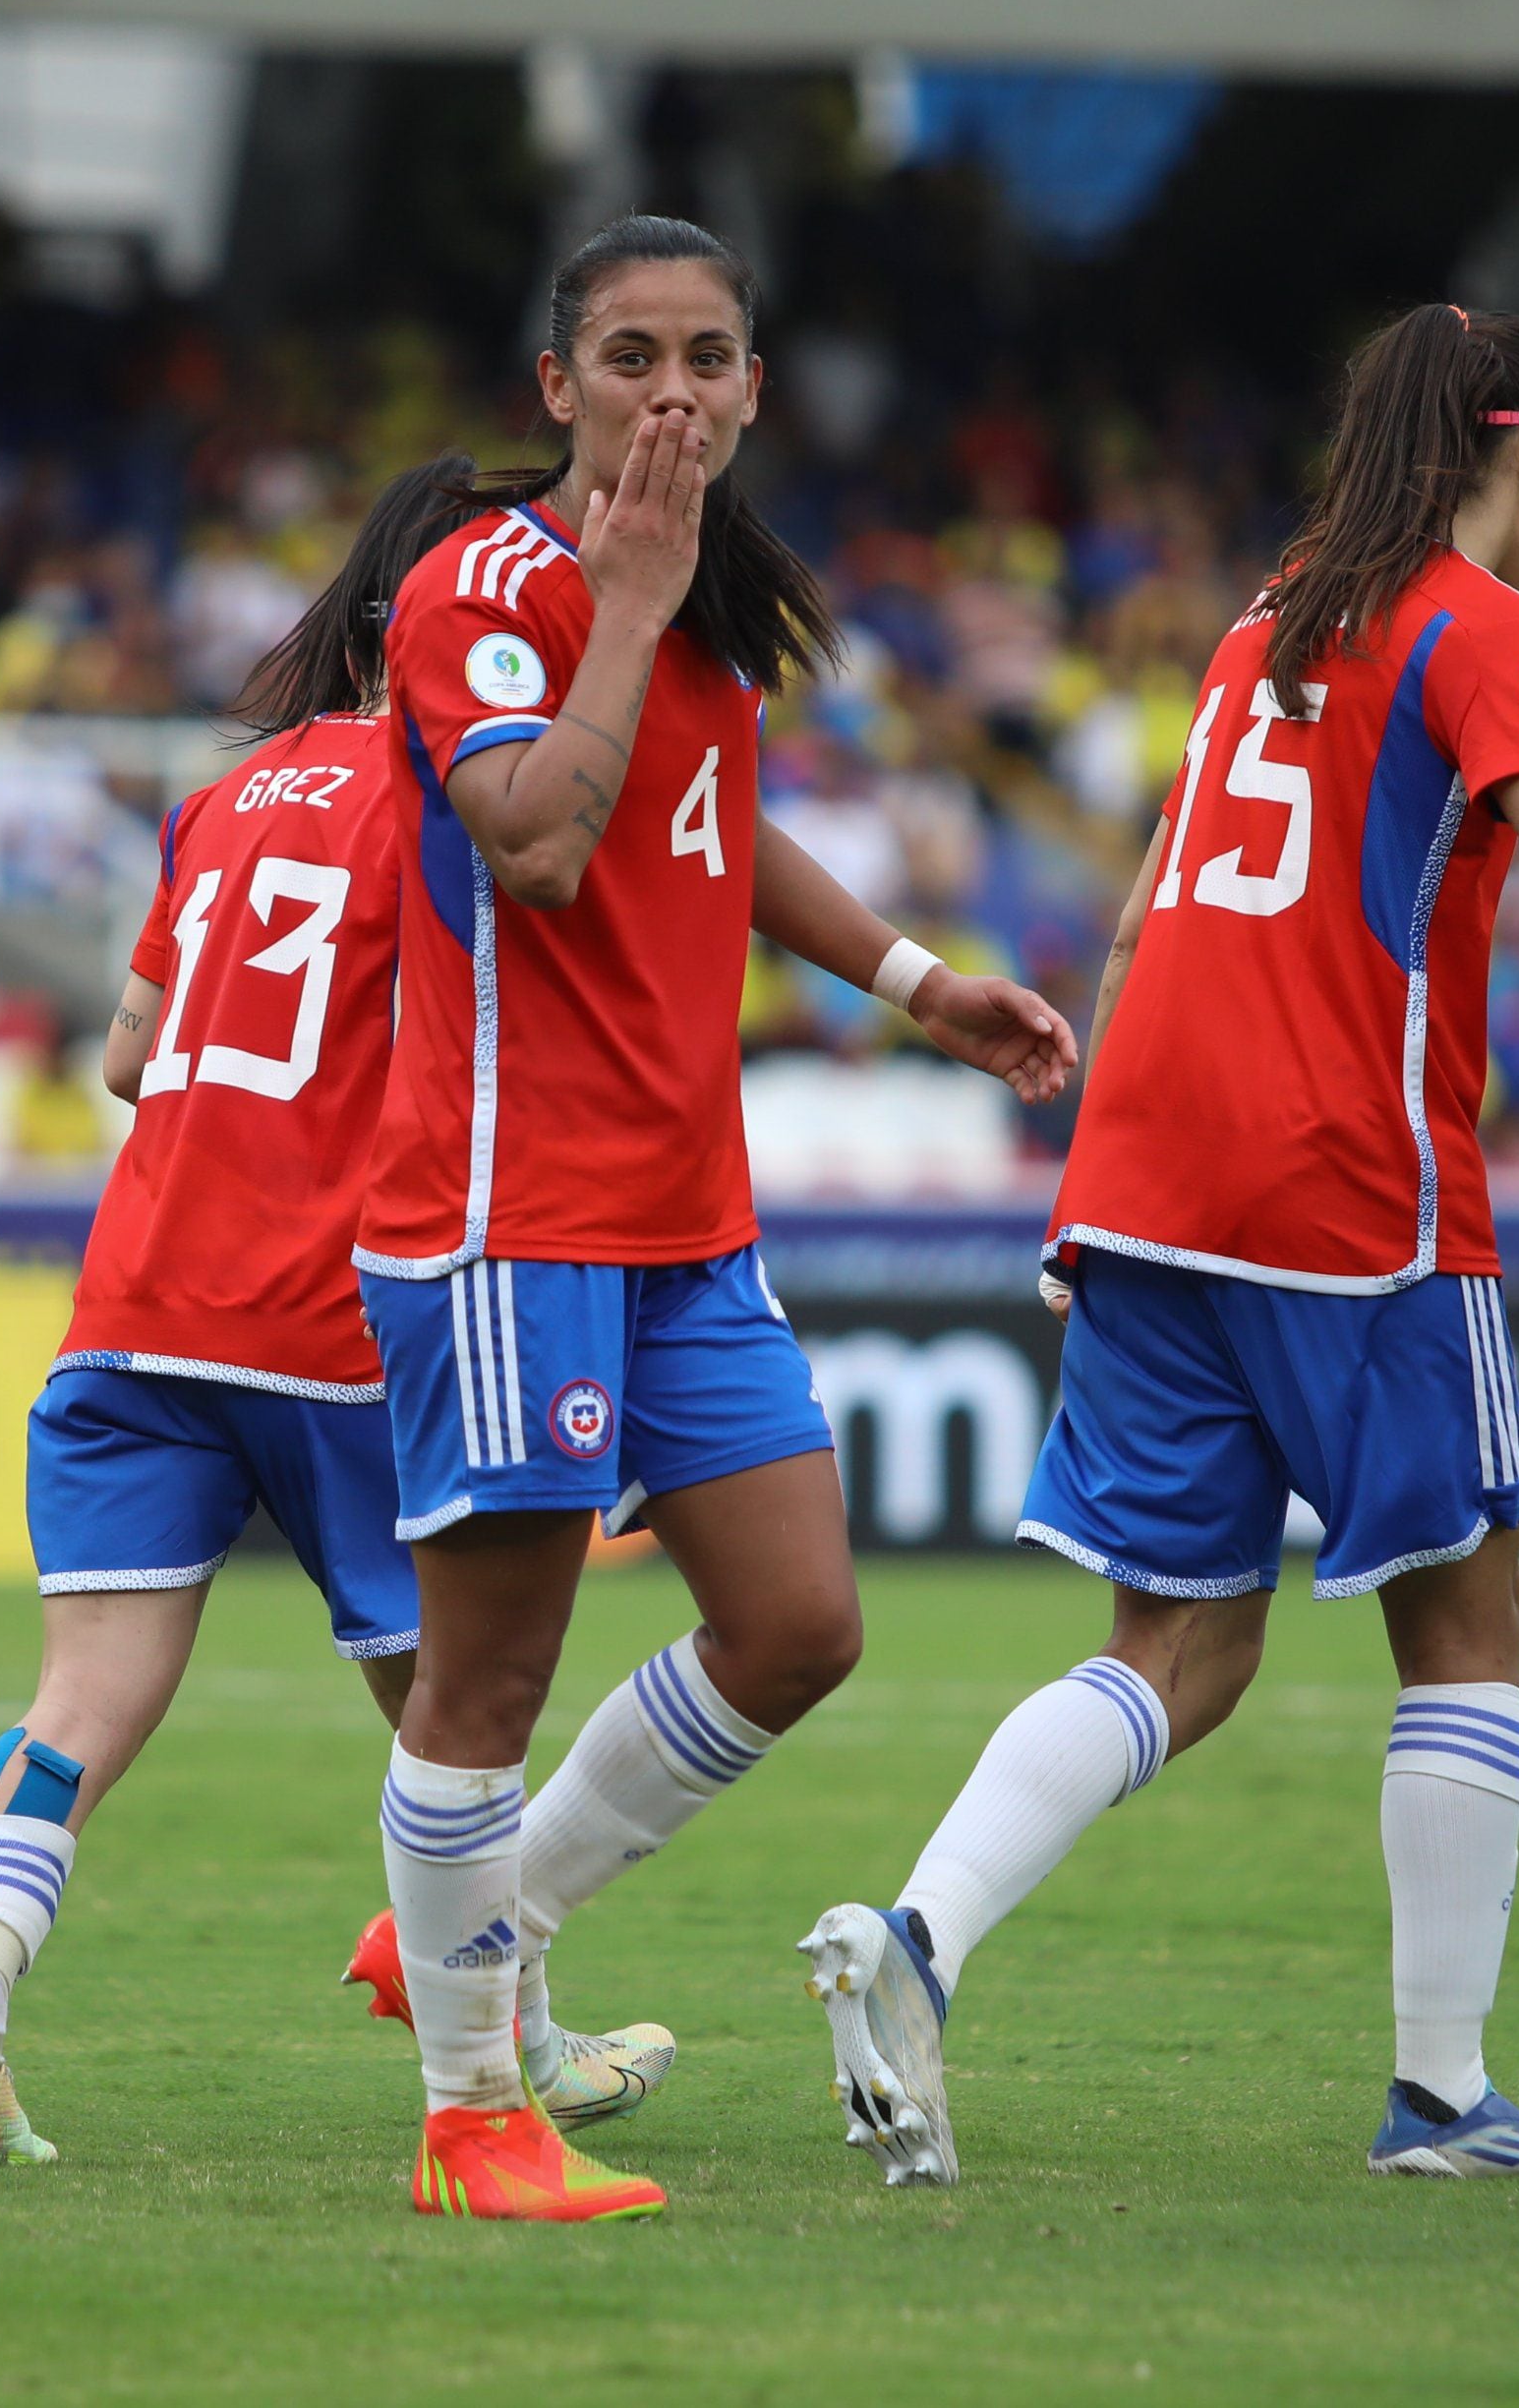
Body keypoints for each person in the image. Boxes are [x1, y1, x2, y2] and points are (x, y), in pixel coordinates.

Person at [805, 304, 1519, 2188]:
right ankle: (1442, 2096)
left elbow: (1136, 921)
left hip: (1150, 1181)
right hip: (1354, 1191)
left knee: (1180, 1642)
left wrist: (1111, 1157)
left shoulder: (1259, 629)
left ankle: (919, 1941)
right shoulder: (1482, 630)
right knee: (1466, 1620)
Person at [352, 217, 1079, 2224]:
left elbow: (706, 821)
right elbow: (541, 842)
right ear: (556, 391)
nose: (668, 390)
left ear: (754, 385)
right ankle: (468, 2113)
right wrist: (629, 595)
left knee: (794, 1620)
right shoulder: (486, 593)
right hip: (512, 1215)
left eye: (705, 356)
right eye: (628, 356)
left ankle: (473, 1923)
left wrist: (915, 978)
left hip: (682, 1214)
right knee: (481, 1678)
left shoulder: (694, 608)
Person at [0, 462, 672, 2166]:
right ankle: (521, 2041)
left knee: (79, 1707)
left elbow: (123, 1053)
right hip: (339, 1323)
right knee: (461, 1718)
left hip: (138, 1306)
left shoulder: (229, 793)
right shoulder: (451, 798)